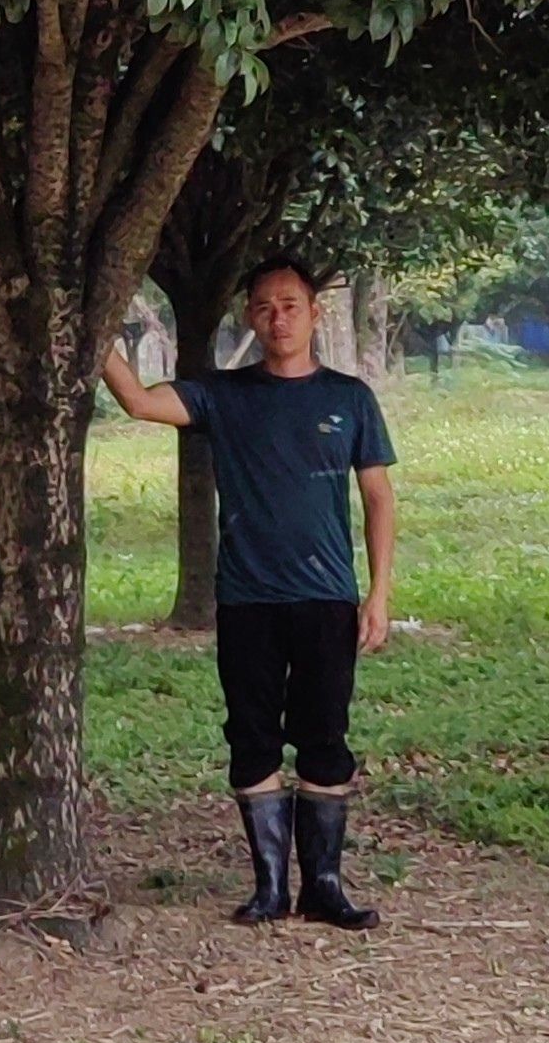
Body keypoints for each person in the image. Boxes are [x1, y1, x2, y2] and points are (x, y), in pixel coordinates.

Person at [99, 257, 396, 930]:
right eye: (264, 306)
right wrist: (95, 338)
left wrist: (378, 593)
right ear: (248, 317)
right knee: (252, 737)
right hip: (247, 601)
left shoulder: (350, 399)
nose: (278, 318)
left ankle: (323, 883)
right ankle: (269, 888)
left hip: (326, 599)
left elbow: (378, 496)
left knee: (326, 735)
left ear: (315, 313)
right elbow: (142, 401)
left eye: (291, 304)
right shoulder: (222, 395)